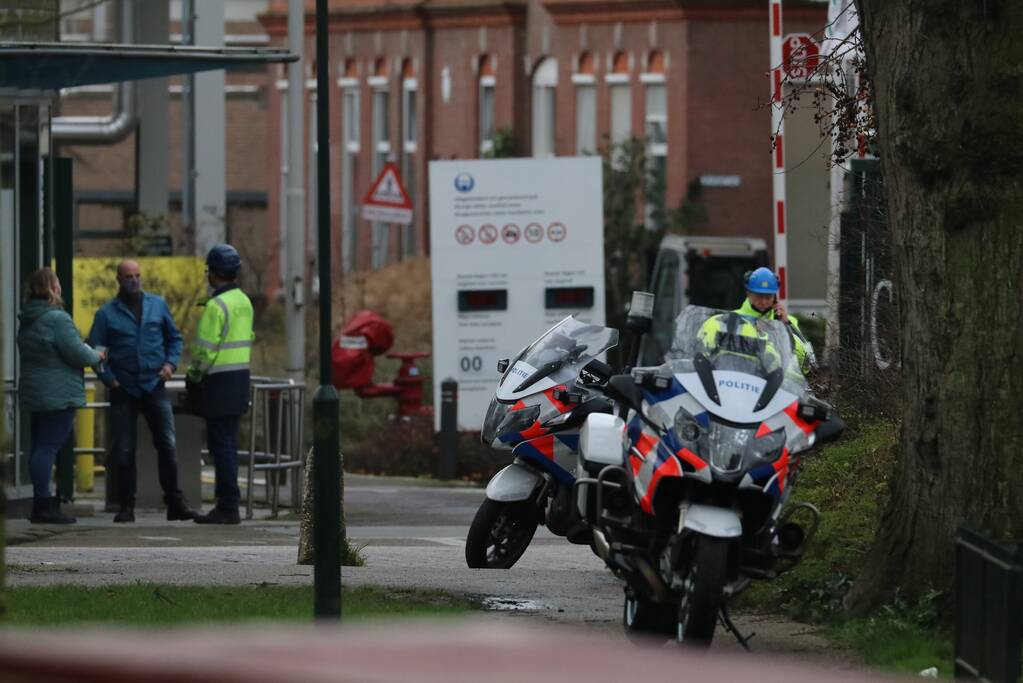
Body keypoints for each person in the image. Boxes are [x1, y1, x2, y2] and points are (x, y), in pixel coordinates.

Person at [88, 260, 196, 523]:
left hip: (153, 383)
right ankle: (126, 505)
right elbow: (94, 350)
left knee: (167, 444)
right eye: (128, 276)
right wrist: (108, 379)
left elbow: (175, 338)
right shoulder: (106, 314)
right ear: (118, 280)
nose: (134, 280)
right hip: (123, 387)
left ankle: (175, 502)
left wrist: (171, 364)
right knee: (124, 449)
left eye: (137, 276)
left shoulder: (157, 305)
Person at [17, 268, 104, 524]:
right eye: (57, 283)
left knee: (39, 447)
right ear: (52, 288)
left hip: (35, 391)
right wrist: (96, 356)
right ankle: (44, 505)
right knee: (48, 448)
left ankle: (40, 501)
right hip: (58, 393)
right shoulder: (57, 318)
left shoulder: (29, 318)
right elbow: (77, 353)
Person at [187, 244, 254, 525]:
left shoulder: (216, 306)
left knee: (221, 446)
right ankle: (230, 503)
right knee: (230, 444)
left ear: (212, 273)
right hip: (240, 379)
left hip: (217, 382)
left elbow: (205, 350)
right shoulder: (244, 301)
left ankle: (227, 505)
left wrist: (194, 375)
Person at [735, 267, 810, 368]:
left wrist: (785, 325)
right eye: (759, 296)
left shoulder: (789, 322)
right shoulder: (734, 318)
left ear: (775, 296)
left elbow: (804, 359)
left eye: (768, 297)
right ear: (748, 293)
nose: (764, 301)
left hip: (778, 380)